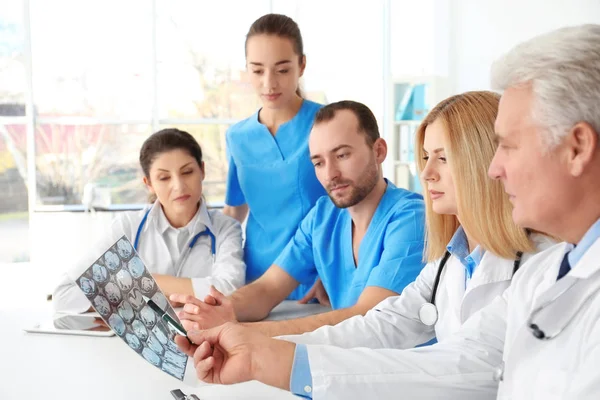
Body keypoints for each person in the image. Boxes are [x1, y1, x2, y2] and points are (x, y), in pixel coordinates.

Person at [175, 24, 600, 399]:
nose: (496, 168)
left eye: (508, 145)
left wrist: (268, 355)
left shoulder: (518, 260)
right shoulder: (504, 269)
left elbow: (462, 366)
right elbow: (382, 329)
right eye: (318, 161)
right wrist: (251, 346)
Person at [277, 91, 554, 351]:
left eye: (443, 158)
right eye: (425, 157)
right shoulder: (448, 262)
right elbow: (380, 326)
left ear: (484, 161)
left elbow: (466, 362)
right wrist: (267, 342)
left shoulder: (543, 263)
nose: (427, 173)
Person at [172, 100, 426, 337]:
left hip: (402, 367)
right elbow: (268, 288)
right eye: (318, 162)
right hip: (351, 360)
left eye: (342, 155)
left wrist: (242, 333)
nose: (330, 174)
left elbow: (369, 317)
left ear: (379, 150)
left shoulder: (411, 218)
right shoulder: (323, 217)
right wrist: (218, 310)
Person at [53, 128, 245, 314]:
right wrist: (180, 292)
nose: (178, 186)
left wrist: (139, 280)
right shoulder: (128, 226)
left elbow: (229, 291)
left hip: (204, 341)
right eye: (164, 178)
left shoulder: (226, 229)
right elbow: (65, 294)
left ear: (202, 171)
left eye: (187, 172)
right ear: (149, 184)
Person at [224, 13, 327, 301]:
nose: (269, 84)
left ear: (301, 65)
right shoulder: (237, 136)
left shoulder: (327, 124)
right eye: (257, 71)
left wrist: (332, 269)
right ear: (246, 70)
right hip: (255, 280)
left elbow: (357, 204)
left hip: (317, 277)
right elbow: (234, 212)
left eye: (282, 70)